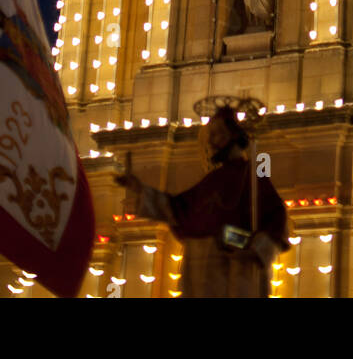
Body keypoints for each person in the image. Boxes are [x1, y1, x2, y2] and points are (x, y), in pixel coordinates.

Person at [115, 106, 289, 298]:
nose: (213, 142)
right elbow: (178, 208)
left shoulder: (254, 177)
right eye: (211, 136)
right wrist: (139, 189)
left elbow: (276, 217)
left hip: (236, 270)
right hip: (201, 273)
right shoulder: (211, 181)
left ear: (233, 135)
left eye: (218, 134)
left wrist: (255, 246)